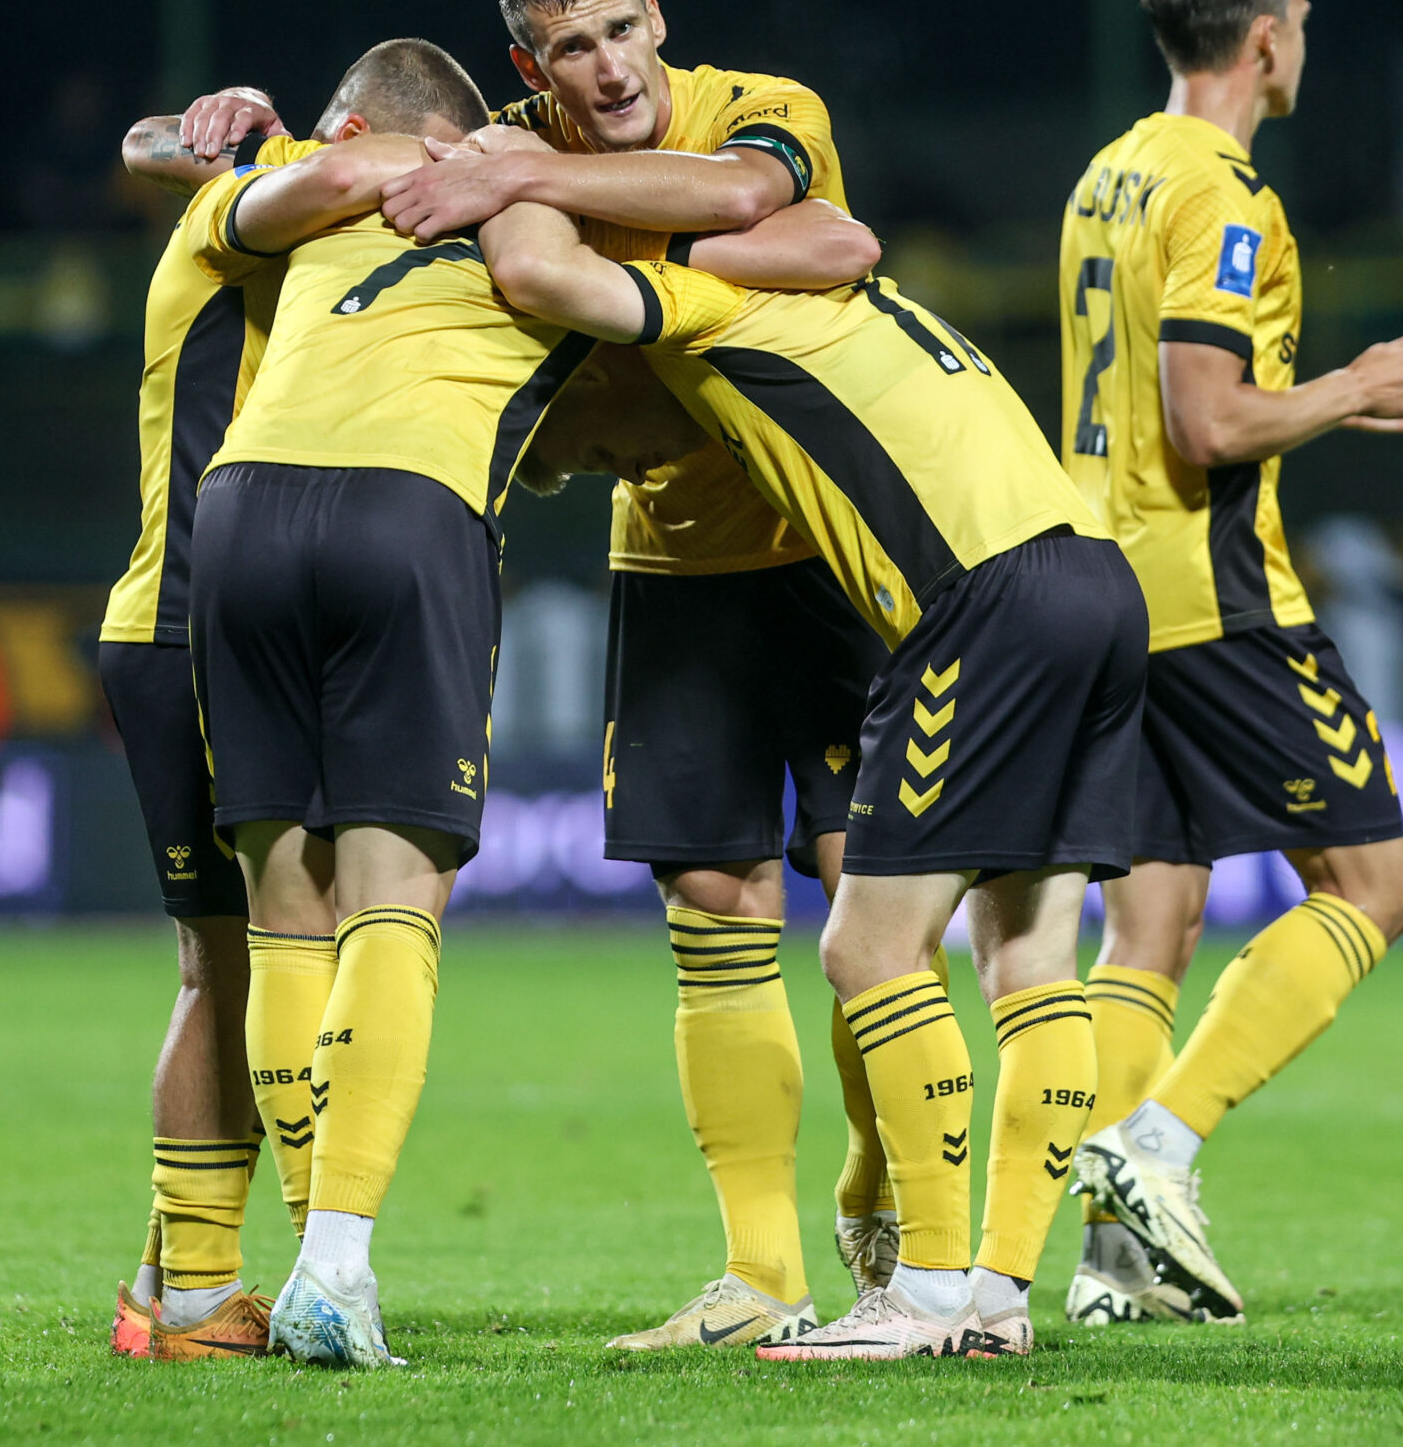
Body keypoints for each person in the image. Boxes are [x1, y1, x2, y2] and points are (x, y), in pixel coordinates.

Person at [168, 0, 895, 1352]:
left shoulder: (760, 105)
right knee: (716, 898)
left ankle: (908, 1243)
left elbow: (776, 209)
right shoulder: (479, 152)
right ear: (528, 64)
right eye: (574, 48)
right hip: (672, 562)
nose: (610, 65)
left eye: (624, 30)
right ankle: (761, 1278)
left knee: (868, 910)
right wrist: (235, 119)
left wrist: (526, 181)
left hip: (822, 540)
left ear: (659, 17)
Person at [480, 156, 1146, 1361]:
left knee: (865, 945)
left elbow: (544, 269)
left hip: (980, 603)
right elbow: (842, 236)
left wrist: (512, 167)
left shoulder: (699, 306)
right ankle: (995, 1295)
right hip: (1092, 579)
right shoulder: (834, 292)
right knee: (1033, 947)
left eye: (580, 440)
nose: (603, 466)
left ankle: (927, 1294)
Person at [179, 37, 642, 1368]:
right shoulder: (537, 213)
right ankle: (335, 1267)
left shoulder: (314, 196)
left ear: (365, 120)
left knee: (284, 910)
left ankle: (310, 1245)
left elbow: (177, 154)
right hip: (407, 503)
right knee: (395, 897)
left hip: (246, 504)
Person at [1052, 0, 1403, 1325]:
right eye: (1301, 10)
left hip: (1099, 593)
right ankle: (1154, 1144)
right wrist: (1354, 386)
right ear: (1264, 39)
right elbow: (1209, 417)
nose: (1306, 32)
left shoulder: (1108, 170)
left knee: (1153, 920)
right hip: (1213, 600)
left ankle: (1117, 1265)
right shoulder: (1226, 198)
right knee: (1375, 888)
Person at [97, 116, 308, 1362]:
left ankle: (173, 1268)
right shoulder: (257, 211)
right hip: (187, 625)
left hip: (205, 625)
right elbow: (151, 146)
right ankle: (197, 1296)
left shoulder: (302, 223)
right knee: (234, 964)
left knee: (236, 966)